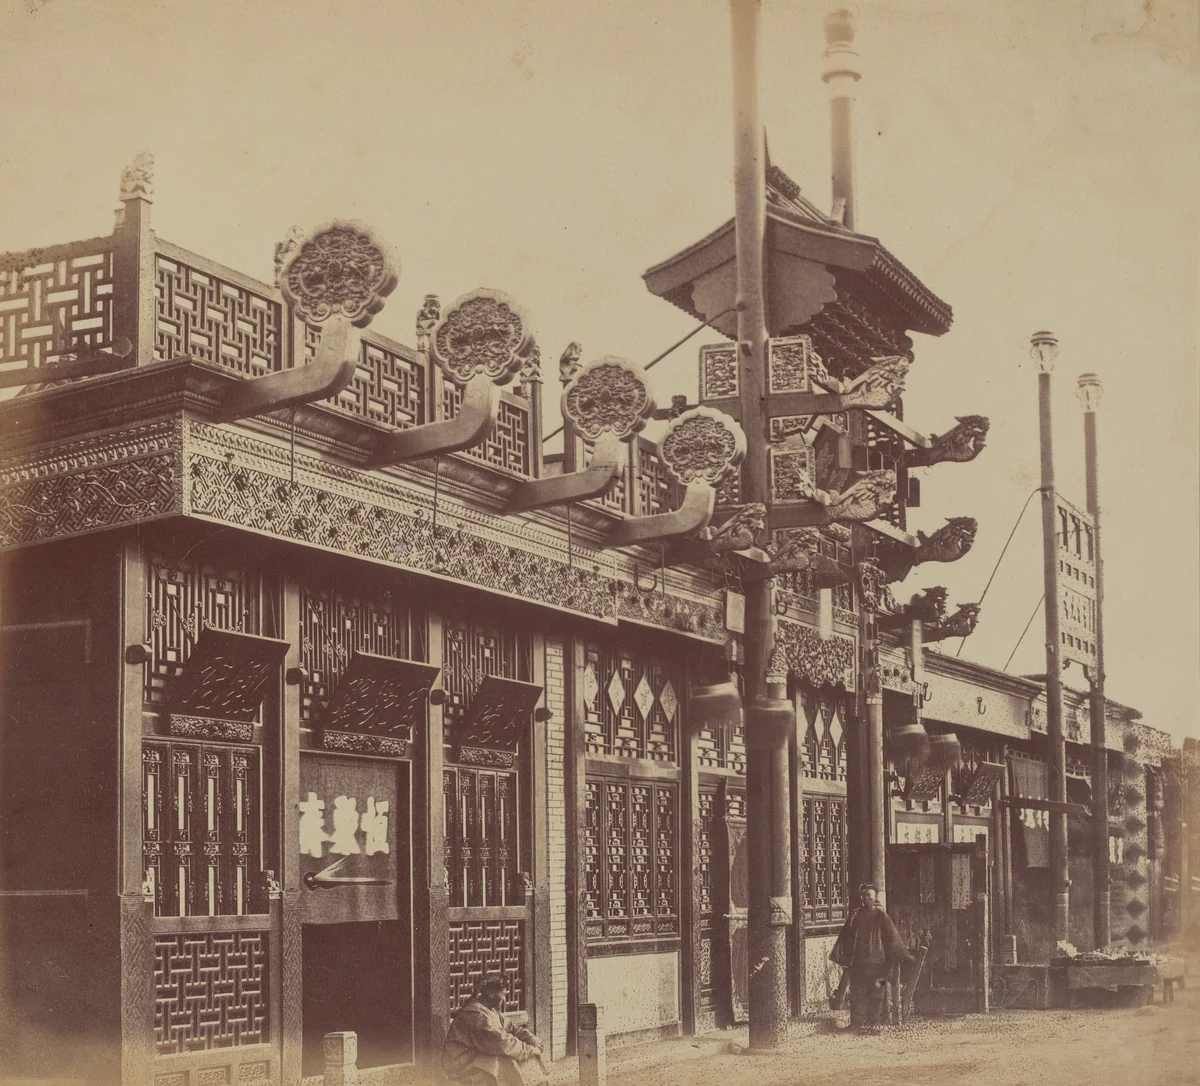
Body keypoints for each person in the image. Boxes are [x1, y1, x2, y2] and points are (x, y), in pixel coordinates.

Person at [829, 883, 910, 1032]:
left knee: (877, 993)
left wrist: (891, 961)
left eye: (869, 896)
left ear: (875, 898)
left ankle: (873, 1024)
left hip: (878, 963)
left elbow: (891, 938)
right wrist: (843, 956)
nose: (866, 898)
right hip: (858, 962)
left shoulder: (881, 916)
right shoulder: (855, 915)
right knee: (857, 993)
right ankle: (856, 1023)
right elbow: (846, 936)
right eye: (864, 895)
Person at [442, 976, 549, 1086]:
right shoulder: (475, 1014)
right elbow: (501, 1042)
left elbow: (513, 1028)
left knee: (518, 1055)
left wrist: (532, 1040)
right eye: (503, 994)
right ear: (491, 993)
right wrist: (530, 1050)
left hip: (475, 1056)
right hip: (460, 1064)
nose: (504, 999)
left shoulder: (490, 1011)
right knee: (505, 1059)